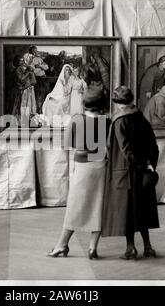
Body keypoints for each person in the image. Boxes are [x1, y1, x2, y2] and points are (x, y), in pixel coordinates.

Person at [46, 86, 110, 259]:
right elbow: (109, 147)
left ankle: (62, 245)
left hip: (82, 167)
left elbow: (68, 146)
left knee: (74, 207)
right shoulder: (107, 121)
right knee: (98, 206)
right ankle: (92, 248)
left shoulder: (77, 120)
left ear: (85, 102)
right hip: (101, 166)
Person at [102, 86, 160, 260]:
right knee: (142, 210)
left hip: (126, 173)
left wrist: (138, 165)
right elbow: (153, 145)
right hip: (143, 173)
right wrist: (149, 165)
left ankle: (131, 249)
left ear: (117, 102)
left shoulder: (119, 121)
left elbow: (125, 150)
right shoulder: (141, 118)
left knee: (128, 212)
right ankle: (148, 247)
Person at [11, 56, 37, 123]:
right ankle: (19, 121)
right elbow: (22, 79)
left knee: (28, 105)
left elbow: (34, 82)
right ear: (17, 62)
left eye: (23, 60)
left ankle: (27, 120)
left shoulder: (26, 69)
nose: (22, 62)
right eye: (20, 61)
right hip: (20, 90)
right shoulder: (18, 69)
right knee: (20, 105)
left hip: (27, 89)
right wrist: (28, 72)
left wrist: (31, 73)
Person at [26, 46, 50, 113]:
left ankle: (44, 112)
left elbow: (47, 67)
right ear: (32, 52)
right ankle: (39, 113)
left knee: (45, 97)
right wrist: (41, 68)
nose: (36, 52)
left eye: (36, 51)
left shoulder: (39, 59)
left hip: (44, 79)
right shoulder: (30, 60)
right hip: (38, 80)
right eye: (35, 51)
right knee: (38, 98)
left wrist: (39, 66)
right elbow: (33, 71)